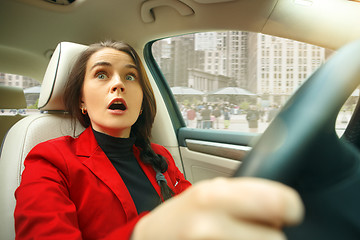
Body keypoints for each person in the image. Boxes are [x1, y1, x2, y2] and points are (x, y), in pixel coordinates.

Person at [14, 40, 304, 240]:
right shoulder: (51, 159)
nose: (118, 83)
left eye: (130, 77)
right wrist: (149, 232)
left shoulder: (159, 156)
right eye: (101, 75)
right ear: (82, 101)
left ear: (141, 100)